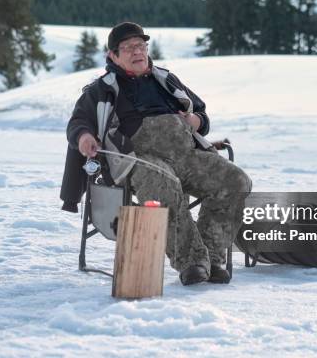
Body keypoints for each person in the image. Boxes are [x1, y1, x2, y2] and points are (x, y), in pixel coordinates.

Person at [60, 22, 252, 285]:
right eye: (128, 48)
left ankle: (211, 256)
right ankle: (192, 262)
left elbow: (202, 115)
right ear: (112, 56)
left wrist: (195, 120)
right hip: (137, 160)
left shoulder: (166, 79)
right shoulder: (102, 89)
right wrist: (84, 137)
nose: (137, 52)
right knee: (164, 184)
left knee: (235, 181)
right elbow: (78, 123)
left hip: (185, 155)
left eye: (141, 45)